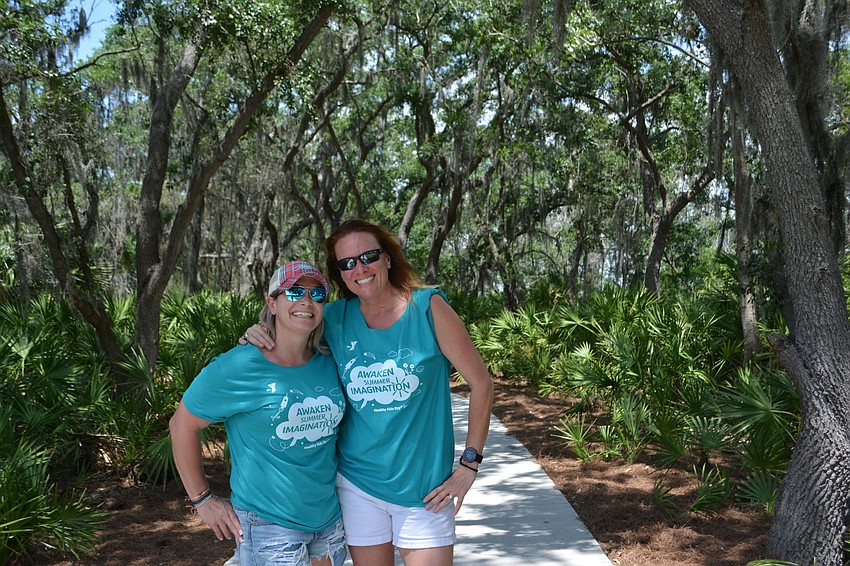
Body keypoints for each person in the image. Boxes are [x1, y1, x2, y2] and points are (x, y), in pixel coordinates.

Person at [241, 219, 494, 566]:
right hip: (359, 487)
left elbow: (481, 383)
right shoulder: (333, 318)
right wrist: (257, 332)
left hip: (426, 490)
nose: (359, 268)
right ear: (340, 275)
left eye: (368, 256)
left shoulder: (428, 308)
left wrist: (469, 465)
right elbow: (290, 329)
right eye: (347, 263)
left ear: (387, 259)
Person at [170, 260, 348, 566]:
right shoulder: (239, 366)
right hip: (269, 526)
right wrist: (202, 500)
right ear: (272, 303)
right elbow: (181, 424)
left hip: (328, 522)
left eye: (316, 294)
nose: (306, 301)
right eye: (294, 292)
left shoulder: (329, 359)